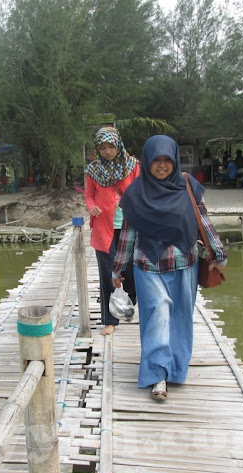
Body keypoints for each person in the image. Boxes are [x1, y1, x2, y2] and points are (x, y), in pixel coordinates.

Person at [111, 135, 227, 401]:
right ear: (147, 161)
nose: (161, 166)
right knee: (158, 314)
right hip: (147, 265)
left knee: (180, 317)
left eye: (166, 160)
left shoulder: (188, 186)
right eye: (156, 161)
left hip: (184, 263)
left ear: (174, 160)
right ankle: (157, 375)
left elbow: (203, 221)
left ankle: (175, 369)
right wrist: (118, 269)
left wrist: (219, 252)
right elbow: (127, 234)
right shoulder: (135, 193)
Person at [85, 126, 140, 336]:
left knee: (131, 271)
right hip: (104, 229)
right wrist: (92, 207)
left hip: (130, 227)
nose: (107, 151)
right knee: (108, 275)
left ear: (119, 145)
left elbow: (142, 190)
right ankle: (110, 320)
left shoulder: (133, 166)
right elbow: (89, 195)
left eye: (111, 146)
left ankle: (130, 301)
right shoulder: (92, 170)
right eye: (103, 148)